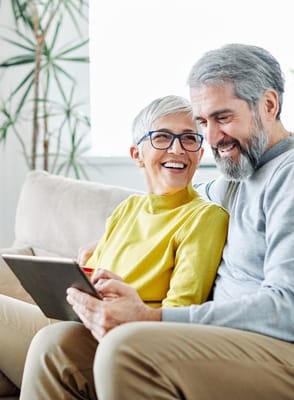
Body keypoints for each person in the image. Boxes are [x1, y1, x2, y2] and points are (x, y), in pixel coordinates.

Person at [19, 43, 294, 400]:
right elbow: (170, 201)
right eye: (203, 122)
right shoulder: (238, 174)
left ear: (268, 105)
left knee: (127, 347)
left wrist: (153, 319)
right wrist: (102, 249)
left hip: (276, 347)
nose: (210, 139)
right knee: (57, 345)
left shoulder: (287, 177)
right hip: (220, 340)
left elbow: (286, 309)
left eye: (223, 118)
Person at [0, 95, 228, 397]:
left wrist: (127, 308)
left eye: (189, 139)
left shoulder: (205, 217)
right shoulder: (128, 208)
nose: (177, 149)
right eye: (162, 137)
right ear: (137, 154)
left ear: (200, 152)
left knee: (51, 342)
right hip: (77, 321)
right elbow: (100, 279)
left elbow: (180, 312)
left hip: (120, 341)